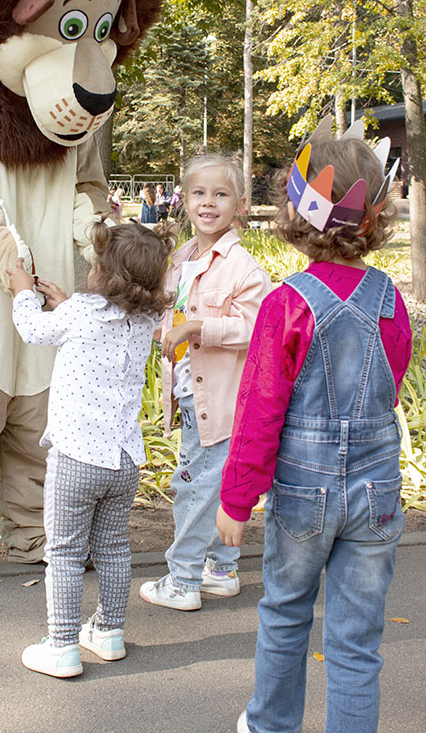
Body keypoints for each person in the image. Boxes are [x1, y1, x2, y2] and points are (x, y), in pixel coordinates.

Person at [217, 124, 412, 733]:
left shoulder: (287, 304)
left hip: (305, 489)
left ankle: (271, 725)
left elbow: (259, 412)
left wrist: (236, 499)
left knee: (285, 614)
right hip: (377, 490)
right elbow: (390, 384)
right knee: (357, 639)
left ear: (296, 213)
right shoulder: (391, 301)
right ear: (374, 218)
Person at [8, 220, 176, 678]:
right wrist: (68, 303)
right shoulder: (145, 320)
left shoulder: (80, 313)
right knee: (113, 549)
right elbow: (104, 325)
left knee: (64, 552)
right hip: (124, 461)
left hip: (77, 458)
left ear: (103, 273)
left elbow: (32, 329)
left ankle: (62, 644)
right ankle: (108, 632)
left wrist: (22, 290)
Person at [140, 154, 271, 610]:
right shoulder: (180, 260)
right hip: (189, 394)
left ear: (240, 204)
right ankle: (221, 568)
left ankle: (182, 579)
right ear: (184, 199)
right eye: (199, 193)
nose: (208, 202)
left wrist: (197, 329)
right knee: (214, 483)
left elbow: (256, 328)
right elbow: (165, 316)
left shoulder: (243, 268)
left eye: (221, 194)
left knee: (195, 487)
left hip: (220, 400)